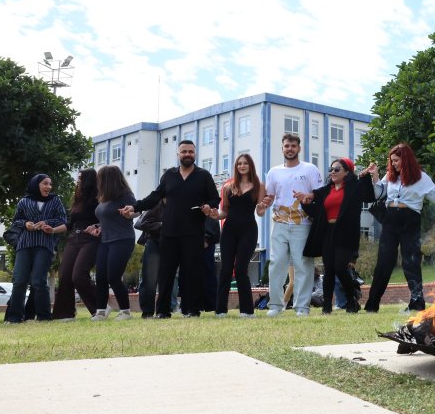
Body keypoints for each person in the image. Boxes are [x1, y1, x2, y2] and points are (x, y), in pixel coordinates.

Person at [121, 140, 220, 318]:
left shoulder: (203, 175)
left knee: (192, 273)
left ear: (195, 154)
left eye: (190, 151)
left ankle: (191, 309)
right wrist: (135, 207)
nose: (187, 154)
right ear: (178, 154)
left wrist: (208, 206)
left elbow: (215, 199)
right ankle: (163, 311)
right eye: (184, 152)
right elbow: (155, 197)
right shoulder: (169, 176)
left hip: (193, 232)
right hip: (169, 233)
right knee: (165, 273)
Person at [364, 143, 435, 313]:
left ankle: (417, 302)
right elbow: (378, 194)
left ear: (405, 159)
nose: (393, 164)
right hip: (390, 218)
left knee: (411, 260)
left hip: (410, 218)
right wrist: (375, 176)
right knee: (384, 261)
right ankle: (372, 304)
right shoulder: (390, 176)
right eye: (392, 161)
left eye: (396, 160)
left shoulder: (421, 177)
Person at [295, 158, 378, 314]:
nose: (332, 172)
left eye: (337, 169)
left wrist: (366, 176)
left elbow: (369, 196)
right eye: (331, 169)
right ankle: (327, 307)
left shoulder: (354, 187)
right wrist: (304, 202)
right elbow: (316, 213)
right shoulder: (325, 191)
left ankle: (351, 300)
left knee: (340, 267)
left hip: (346, 233)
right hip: (328, 233)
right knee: (329, 270)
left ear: (347, 171)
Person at [261, 134, 322, 317]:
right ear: (282, 148)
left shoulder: (310, 169)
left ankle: (302, 307)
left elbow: (319, 194)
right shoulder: (273, 172)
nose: (290, 149)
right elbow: (270, 197)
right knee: (277, 263)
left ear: (299, 148)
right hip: (279, 223)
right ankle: (275, 305)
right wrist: (265, 202)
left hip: (302, 223)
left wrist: (307, 196)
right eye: (286, 146)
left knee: (303, 264)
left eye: (293, 146)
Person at [5, 174, 67, 324]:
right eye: (45, 184)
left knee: (38, 280)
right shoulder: (24, 202)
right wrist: (26, 223)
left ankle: (44, 317)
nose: (48, 187)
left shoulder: (55, 201)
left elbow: (62, 220)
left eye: (50, 184)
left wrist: (46, 222)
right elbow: (16, 221)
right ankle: (14, 318)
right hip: (25, 244)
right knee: (19, 280)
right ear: (36, 185)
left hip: (44, 244)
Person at [210, 153, 266, 318]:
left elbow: (260, 212)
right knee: (226, 269)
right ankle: (220, 310)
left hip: (248, 231)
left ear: (250, 166)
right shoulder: (228, 187)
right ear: (236, 166)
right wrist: (214, 215)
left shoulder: (259, 186)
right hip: (229, 231)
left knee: (241, 269)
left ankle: (247, 311)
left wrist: (263, 206)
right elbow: (224, 212)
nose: (242, 166)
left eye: (245, 163)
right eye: (239, 163)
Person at [91, 166, 137, 321]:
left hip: (122, 239)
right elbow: (107, 219)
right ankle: (101, 312)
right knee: (101, 277)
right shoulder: (104, 198)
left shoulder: (125, 195)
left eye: (100, 178)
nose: (98, 181)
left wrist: (130, 212)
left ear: (108, 180)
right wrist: (98, 227)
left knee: (113, 276)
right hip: (105, 240)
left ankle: (125, 312)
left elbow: (137, 211)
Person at [52, 169, 100, 321]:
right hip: (74, 238)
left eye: (80, 178)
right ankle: (65, 314)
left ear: (89, 180)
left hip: (91, 239)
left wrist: (98, 226)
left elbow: (106, 218)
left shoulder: (99, 197)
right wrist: (52, 230)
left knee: (78, 275)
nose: (77, 181)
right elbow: (69, 224)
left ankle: (100, 307)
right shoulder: (77, 199)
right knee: (65, 274)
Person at [135, 200, 165, 318]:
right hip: (155, 241)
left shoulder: (180, 202)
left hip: (171, 243)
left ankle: (163, 310)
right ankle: (147, 312)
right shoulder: (157, 203)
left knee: (166, 279)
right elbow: (144, 223)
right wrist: (163, 226)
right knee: (149, 279)